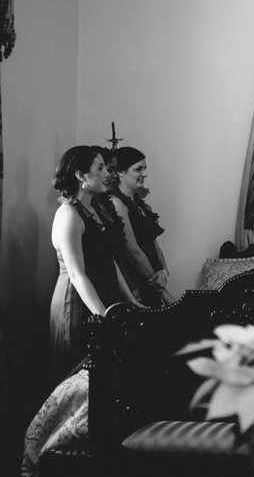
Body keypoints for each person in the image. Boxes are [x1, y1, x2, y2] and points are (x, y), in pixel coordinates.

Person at [50, 146, 142, 381]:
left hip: (102, 297)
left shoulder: (96, 208)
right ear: (81, 176)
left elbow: (108, 258)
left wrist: (129, 300)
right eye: (100, 168)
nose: (107, 174)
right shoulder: (69, 214)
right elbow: (77, 274)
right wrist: (102, 317)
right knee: (82, 375)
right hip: (77, 304)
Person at [109, 147, 177, 307]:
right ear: (120, 172)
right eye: (138, 169)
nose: (145, 174)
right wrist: (163, 292)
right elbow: (132, 251)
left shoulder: (140, 204)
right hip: (135, 282)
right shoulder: (116, 203)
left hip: (152, 281)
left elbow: (154, 244)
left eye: (145, 168)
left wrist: (164, 272)